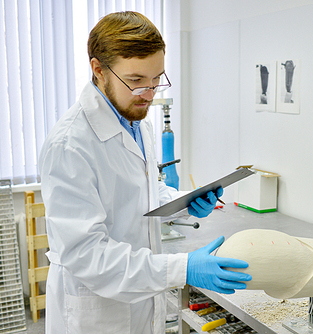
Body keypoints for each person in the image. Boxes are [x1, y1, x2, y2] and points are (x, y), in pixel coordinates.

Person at [38, 11, 251, 334]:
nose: (149, 94)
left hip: (139, 300)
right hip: (96, 314)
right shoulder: (70, 145)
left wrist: (183, 201)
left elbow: (141, 194)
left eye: (156, 80)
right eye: (136, 81)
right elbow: (88, 256)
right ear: (98, 70)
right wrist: (184, 267)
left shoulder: (137, 122)